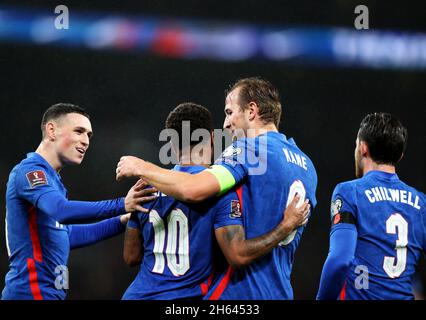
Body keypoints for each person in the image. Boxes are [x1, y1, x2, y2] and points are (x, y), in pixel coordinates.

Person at [116, 77, 318, 299]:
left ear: (252, 111)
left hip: (238, 293)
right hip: (280, 290)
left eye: (230, 112)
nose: (225, 124)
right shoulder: (307, 165)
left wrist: (141, 166)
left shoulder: (248, 149)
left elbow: (194, 189)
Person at [2, 103, 156, 300]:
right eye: (79, 131)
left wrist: (121, 221)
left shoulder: (53, 181)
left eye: (89, 135)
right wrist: (121, 204)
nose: (85, 141)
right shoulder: (30, 172)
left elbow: (65, 235)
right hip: (28, 294)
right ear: (51, 130)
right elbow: (62, 211)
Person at [317, 112, 426, 300]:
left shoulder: (350, 192)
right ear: (399, 156)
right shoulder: (421, 203)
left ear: (363, 147)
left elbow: (340, 260)